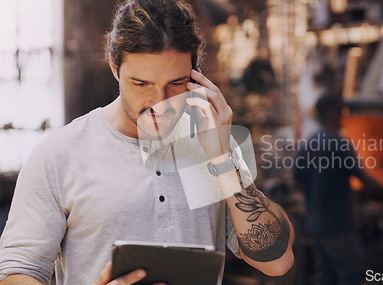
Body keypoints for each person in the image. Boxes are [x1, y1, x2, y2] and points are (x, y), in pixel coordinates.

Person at [0, 0, 294, 284]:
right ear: (115, 67)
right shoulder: (59, 155)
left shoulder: (213, 147)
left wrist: (222, 158)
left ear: (197, 76)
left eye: (176, 83)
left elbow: (277, 261)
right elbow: (17, 272)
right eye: (141, 84)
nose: (159, 102)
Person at [293, 92, 383, 285]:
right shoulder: (338, 144)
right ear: (332, 113)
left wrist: (318, 196)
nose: (344, 116)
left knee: (326, 277)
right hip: (338, 226)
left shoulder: (307, 144)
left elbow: (297, 182)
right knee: (350, 276)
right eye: (342, 112)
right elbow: (365, 178)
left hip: (316, 226)